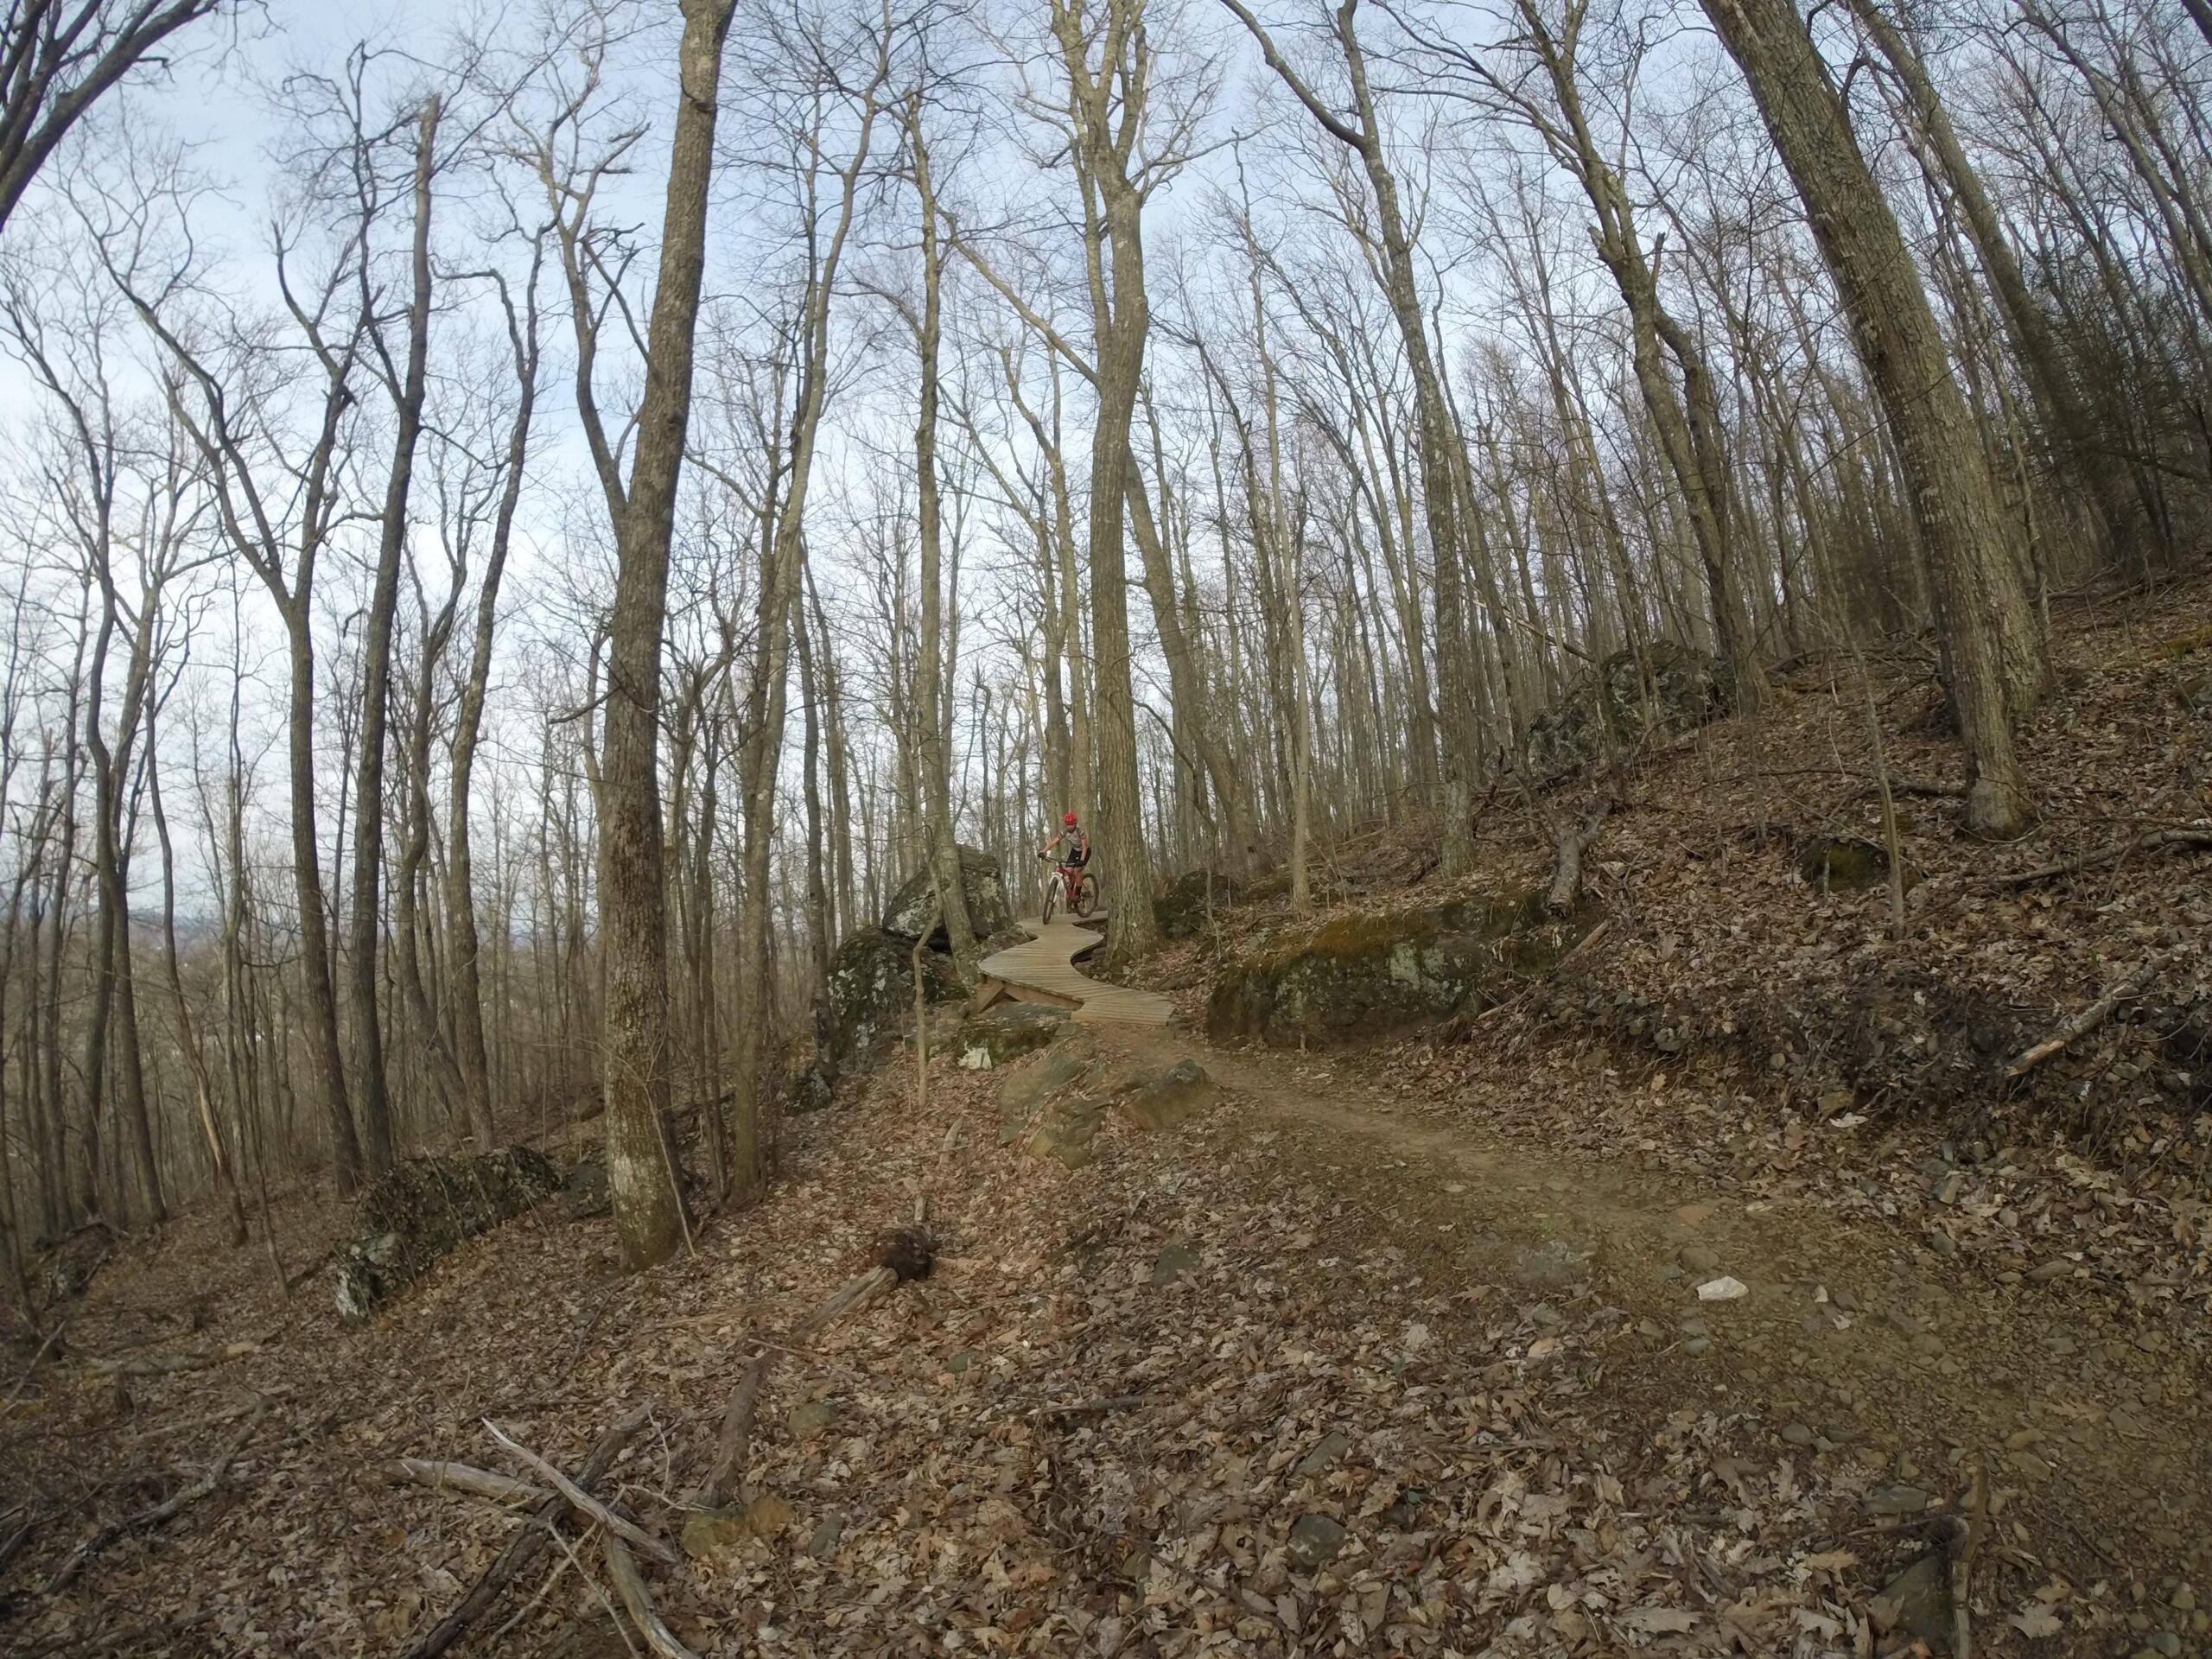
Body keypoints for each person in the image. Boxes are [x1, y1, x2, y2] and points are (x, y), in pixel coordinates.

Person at [1039, 810, 1090, 874]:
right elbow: (1053, 842)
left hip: (1085, 851)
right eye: (1068, 824)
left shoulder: (1080, 832)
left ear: (1075, 823)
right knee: (1068, 871)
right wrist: (1043, 851)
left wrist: (1082, 859)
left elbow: (1084, 847)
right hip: (1075, 851)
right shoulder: (1064, 833)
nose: (1070, 826)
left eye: (1072, 824)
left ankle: (1079, 885)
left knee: (1077, 870)